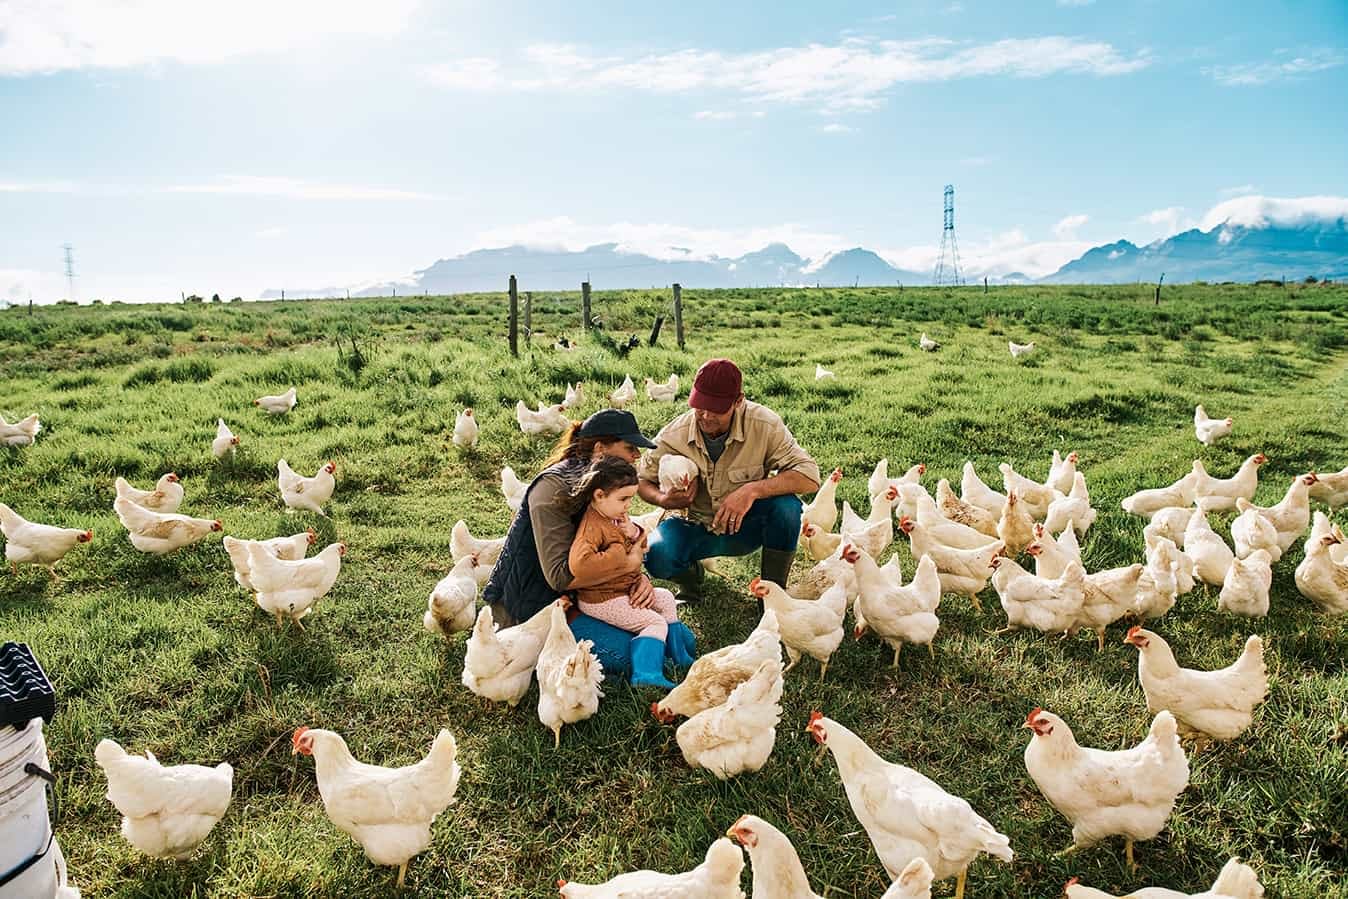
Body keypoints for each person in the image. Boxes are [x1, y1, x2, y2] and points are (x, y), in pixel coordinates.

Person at [482, 408, 696, 677]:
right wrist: (628, 563)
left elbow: (621, 543)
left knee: (682, 642)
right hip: (539, 605)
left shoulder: (607, 486)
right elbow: (559, 577)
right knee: (636, 656)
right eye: (630, 447)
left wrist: (636, 577)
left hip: (591, 596)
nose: (636, 456)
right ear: (600, 449)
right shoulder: (552, 489)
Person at [639, 358, 821, 598]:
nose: (705, 416)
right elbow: (641, 481)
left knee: (787, 508)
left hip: (746, 527)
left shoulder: (764, 424)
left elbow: (810, 476)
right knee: (656, 555)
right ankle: (692, 579)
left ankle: (773, 595)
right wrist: (663, 500)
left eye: (716, 409)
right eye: (699, 406)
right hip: (694, 525)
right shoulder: (675, 434)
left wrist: (751, 491)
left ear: (738, 401)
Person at [565, 457, 690, 688]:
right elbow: (579, 564)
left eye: (631, 498)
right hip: (602, 599)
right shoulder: (592, 527)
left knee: (666, 598)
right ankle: (646, 675)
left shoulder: (613, 516)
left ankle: (678, 657)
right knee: (653, 623)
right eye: (623, 499)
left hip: (622, 590)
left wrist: (633, 531)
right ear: (599, 495)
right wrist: (619, 555)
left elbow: (642, 547)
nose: (628, 505)